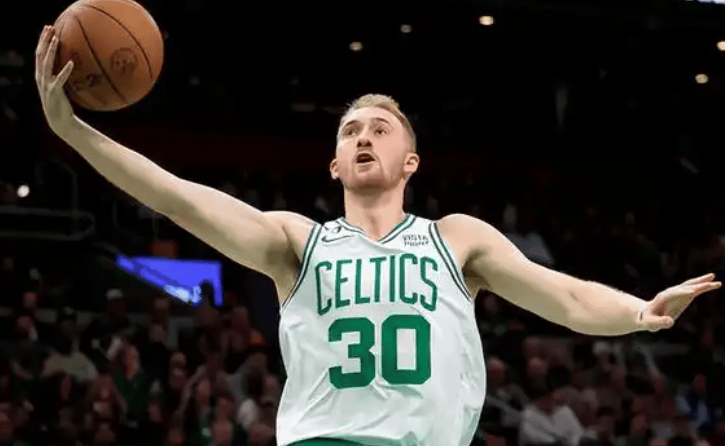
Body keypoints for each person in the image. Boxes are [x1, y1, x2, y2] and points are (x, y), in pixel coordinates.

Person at [35, 26, 721, 446]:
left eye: (379, 129)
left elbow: (565, 298)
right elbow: (174, 196)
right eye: (350, 131)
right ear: (334, 165)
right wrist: (73, 130)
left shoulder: (457, 239)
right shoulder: (296, 242)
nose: (363, 136)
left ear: (410, 162)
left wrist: (640, 312)